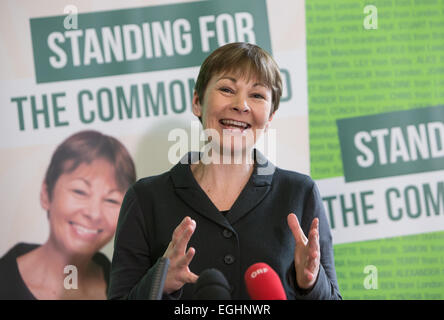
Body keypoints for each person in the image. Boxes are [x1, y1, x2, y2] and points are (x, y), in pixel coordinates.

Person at [108, 42, 341, 300]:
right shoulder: (145, 199)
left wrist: (310, 283)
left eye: (257, 95)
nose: (241, 105)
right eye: (227, 89)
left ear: (271, 115)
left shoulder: (300, 193)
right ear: (198, 102)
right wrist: (159, 282)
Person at [0, 130, 136, 299]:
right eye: (80, 191)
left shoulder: (126, 288)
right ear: (46, 194)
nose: (94, 214)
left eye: (111, 200)